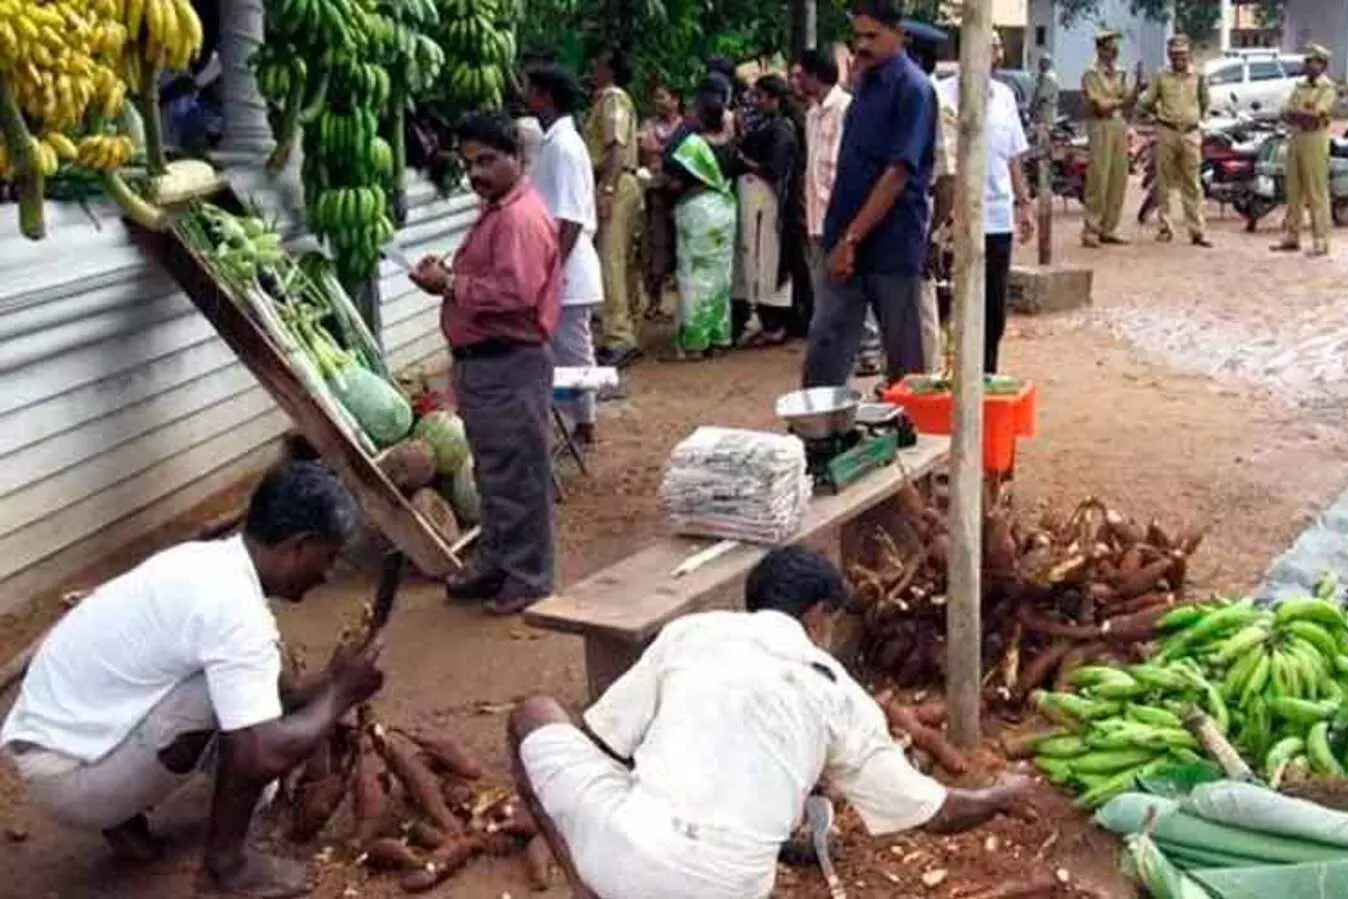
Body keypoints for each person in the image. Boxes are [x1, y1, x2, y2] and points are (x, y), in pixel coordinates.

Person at [505, 546, 1037, 899]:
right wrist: (998, 795)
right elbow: (936, 812)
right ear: (817, 616)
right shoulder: (835, 689)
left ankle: (584, 884)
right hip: (730, 888)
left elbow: (603, 743)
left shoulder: (691, 632)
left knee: (532, 714)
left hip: (621, 867)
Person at [0, 461, 384, 899]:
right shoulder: (235, 611)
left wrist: (332, 681)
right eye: (329, 557)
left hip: (60, 742)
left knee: (252, 682)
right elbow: (260, 752)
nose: (327, 573)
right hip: (70, 778)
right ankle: (225, 869)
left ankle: (122, 817)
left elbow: (282, 697)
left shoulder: (208, 560)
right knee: (238, 720)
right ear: (299, 546)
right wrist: (339, 694)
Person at [410, 111, 559, 613]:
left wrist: (450, 284)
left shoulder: (518, 218)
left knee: (517, 476)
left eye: (488, 161)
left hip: (508, 363)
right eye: (469, 162)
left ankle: (528, 578)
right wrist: (450, 275)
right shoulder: (498, 209)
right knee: (495, 475)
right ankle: (498, 563)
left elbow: (515, 293)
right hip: (487, 364)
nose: (475, 172)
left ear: (516, 158)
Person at [804, 0, 938, 389]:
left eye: (872, 36)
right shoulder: (863, 83)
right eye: (857, 35)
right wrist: (842, 237)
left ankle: (913, 435)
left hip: (891, 241)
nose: (862, 45)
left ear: (900, 35)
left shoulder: (914, 89)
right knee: (827, 341)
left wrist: (852, 238)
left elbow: (897, 174)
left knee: (903, 356)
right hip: (845, 235)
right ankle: (819, 433)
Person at [936, 36, 1037, 374]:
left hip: (996, 217)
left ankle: (986, 376)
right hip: (953, 218)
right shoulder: (940, 95)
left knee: (993, 309)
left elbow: (1013, 157)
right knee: (952, 305)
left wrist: (1024, 204)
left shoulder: (1005, 96)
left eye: (992, 49)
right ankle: (952, 378)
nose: (986, 55)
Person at [525, 65, 604, 447]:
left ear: (545, 96)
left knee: (573, 350)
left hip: (568, 267)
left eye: (530, 89)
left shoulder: (564, 147)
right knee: (563, 350)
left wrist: (551, 269)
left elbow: (569, 219)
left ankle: (586, 421)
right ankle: (579, 419)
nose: (525, 96)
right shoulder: (555, 143)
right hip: (563, 264)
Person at [660, 88, 738, 359]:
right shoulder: (729, 143)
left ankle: (695, 342)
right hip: (725, 213)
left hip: (698, 214)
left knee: (694, 277)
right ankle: (720, 336)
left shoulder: (693, 147)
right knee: (720, 277)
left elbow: (667, 159)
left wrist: (686, 126)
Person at [587, 48, 644, 369]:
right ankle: (628, 326)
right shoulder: (614, 99)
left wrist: (607, 187)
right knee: (624, 261)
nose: (593, 70)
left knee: (612, 260)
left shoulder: (612, 99)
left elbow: (616, 146)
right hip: (625, 182)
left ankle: (619, 337)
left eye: (598, 64)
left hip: (616, 182)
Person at [734, 75, 800, 347]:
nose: (757, 102)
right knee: (758, 260)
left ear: (774, 99)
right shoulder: (769, 125)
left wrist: (745, 162)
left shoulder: (782, 130)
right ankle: (767, 321)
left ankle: (775, 324)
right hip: (760, 203)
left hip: (770, 205)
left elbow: (774, 170)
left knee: (767, 261)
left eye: (761, 97)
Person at [796, 46, 853, 351]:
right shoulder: (811, 115)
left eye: (800, 75)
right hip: (817, 214)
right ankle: (829, 342)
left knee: (848, 282)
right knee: (823, 284)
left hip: (840, 213)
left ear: (814, 76)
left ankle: (866, 347)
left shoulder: (846, 109)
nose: (796, 81)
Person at [907, 26, 955, 377]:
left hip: (924, 213)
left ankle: (927, 375)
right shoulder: (912, 96)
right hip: (907, 214)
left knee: (923, 302)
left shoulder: (932, 99)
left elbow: (947, 176)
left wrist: (935, 234)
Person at [1139, 34, 1212, 247]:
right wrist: (1157, 115)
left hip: (1190, 133)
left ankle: (1197, 231)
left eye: (1182, 54)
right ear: (1169, 55)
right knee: (1164, 182)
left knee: (1193, 183)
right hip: (1167, 131)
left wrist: (1198, 122)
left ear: (1188, 54)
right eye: (1174, 54)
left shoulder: (1198, 75)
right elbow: (1147, 101)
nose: (1178, 58)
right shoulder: (1161, 76)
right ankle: (1165, 228)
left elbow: (1205, 101)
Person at [1272, 43, 1338, 257]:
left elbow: (1318, 115)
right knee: (1294, 190)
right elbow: (1285, 112)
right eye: (1308, 61)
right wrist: (1301, 113)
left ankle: (1321, 240)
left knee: (1316, 191)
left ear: (1324, 65)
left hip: (1315, 139)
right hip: (1297, 137)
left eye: (1316, 62)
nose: (1310, 65)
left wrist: (1299, 113)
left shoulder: (1327, 88)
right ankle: (1292, 235)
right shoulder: (1299, 86)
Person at [1081, 29, 1137, 248]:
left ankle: (1109, 228)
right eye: (1109, 48)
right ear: (1100, 50)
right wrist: (1120, 101)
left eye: (1115, 49)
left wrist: (1134, 89)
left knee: (1118, 177)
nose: (1113, 52)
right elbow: (1100, 106)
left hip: (1118, 125)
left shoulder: (1121, 73)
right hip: (1100, 125)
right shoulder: (1091, 74)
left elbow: (1128, 101)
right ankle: (1091, 229)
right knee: (1098, 177)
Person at [640, 81, 685, 321]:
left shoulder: (686, 127)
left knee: (680, 244)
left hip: (680, 193)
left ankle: (680, 302)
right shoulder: (648, 126)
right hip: (656, 192)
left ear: (676, 100)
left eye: (663, 97)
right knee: (655, 245)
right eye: (656, 97)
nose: (659, 102)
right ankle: (654, 300)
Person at [1031, 51, 1060, 137]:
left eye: (1042, 62)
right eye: (1040, 62)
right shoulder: (1051, 76)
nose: (1040, 65)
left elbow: (1040, 95)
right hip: (1049, 110)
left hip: (1044, 111)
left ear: (1047, 63)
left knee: (1043, 135)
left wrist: (1033, 107)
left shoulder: (1047, 77)